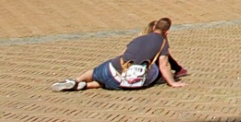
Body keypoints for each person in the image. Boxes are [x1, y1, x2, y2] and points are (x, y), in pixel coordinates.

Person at [53, 18, 185, 91]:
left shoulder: (137, 39)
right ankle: (85, 86)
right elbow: (164, 65)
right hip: (127, 81)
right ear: (167, 31)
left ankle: (77, 81)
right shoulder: (162, 43)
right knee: (106, 83)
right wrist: (172, 83)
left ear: (153, 27)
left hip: (113, 70)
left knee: (95, 72)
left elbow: (123, 55)